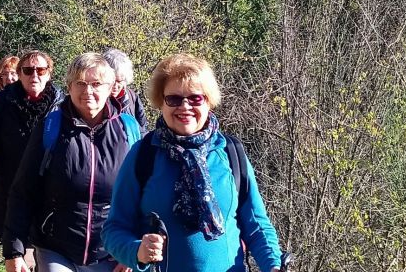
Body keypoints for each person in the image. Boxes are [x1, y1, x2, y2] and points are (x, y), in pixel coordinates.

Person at [103, 54, 286, 272]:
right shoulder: (144, 155)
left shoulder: (230, 152)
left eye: (195, 98)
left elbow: (256, 226)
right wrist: (137, 252)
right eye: (174, 99)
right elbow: (114, 229)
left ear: (209, 101)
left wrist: (274, 265)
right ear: (161, 102)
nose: (185, 107)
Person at [1, 53, 143, 272]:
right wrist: (14, 251)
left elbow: (143, 196)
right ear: (69, 86)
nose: (88, 91)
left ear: (110, 87)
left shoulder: (128, 131)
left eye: (96, 84)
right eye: (80, 83)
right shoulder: (51, 127)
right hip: (56, 248)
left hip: (111, 251)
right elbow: (23, 190)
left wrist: (133, 251)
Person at [0, 50, 64, 246]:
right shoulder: (3, 100)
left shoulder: (62, 104)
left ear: (49, 73)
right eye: (28, 70)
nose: (34, 75)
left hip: (48, 191)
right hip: (11, 186)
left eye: (40, 70)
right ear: (20, 73)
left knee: (43, 252)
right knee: (15, 253)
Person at [101, 48, 144, 121]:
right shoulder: (94, 99)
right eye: (112, 80)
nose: (115, 86)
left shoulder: (132, 97)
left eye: (119, 81)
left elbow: (142, 129)